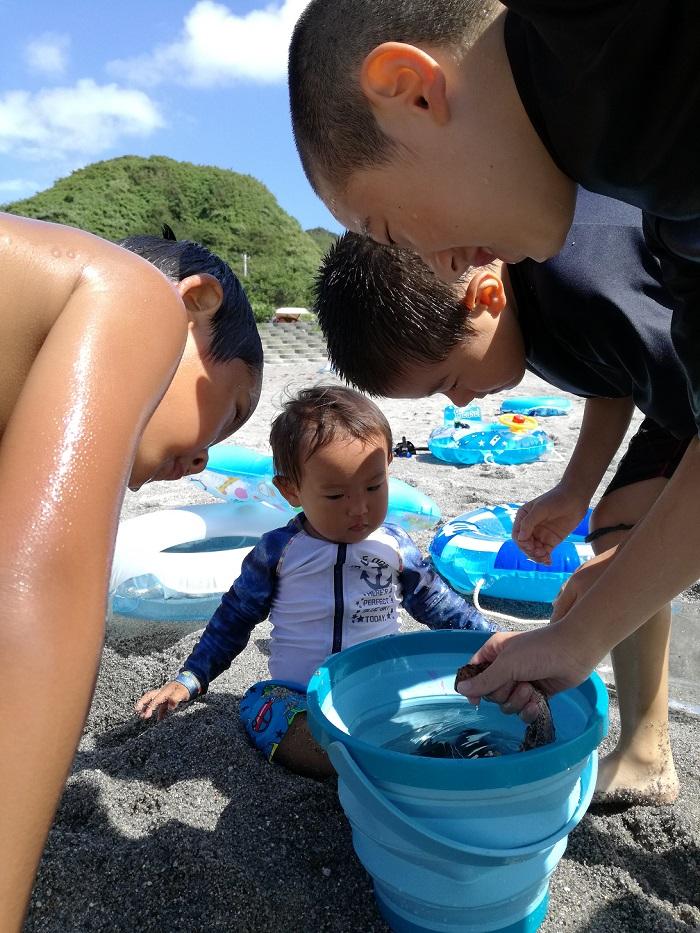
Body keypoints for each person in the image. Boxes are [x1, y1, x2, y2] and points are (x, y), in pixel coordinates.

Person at [288, 0, 700, 717]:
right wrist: (581, 612)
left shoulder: (619, 53)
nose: (440, 263)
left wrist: (588, 625)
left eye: (390, 231)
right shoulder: (642, 177)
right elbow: (617, 382)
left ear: (412, 87)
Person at [314, 189, 693, 803]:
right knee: (616, 527)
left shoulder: (580, 280)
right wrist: (576, 490)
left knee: (610, 573)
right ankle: (646, 753)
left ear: (484, 299)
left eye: (450, 382)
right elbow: (617, 373)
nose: (459, 404)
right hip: (678, 367)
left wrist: (584, 631)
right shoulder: (528, 301)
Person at [0, 213, 262, 931]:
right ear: (197, 303)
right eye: (231, 409)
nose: (209, 453)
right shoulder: (138, 298)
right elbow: (39, 591)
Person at [135, 385, 493, 779]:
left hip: (378, 691)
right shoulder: (280, 552)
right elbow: (233, 619)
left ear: (388, 466)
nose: (359, 508)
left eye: (374, 487)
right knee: (261, 704)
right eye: (336, 495)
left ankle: (413, 754)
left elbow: (440, 605)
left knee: (446, 696)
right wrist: (191, 678)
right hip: (299, 695)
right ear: (292, 490)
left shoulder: (394, 546)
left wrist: (491, 642)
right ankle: (360, 763)